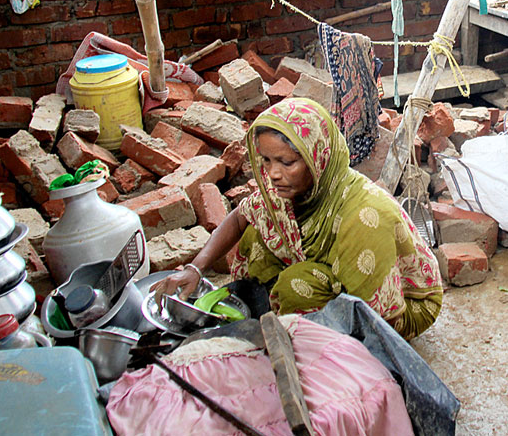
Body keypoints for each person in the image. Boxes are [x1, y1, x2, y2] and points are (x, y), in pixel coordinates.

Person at [153, 98, 443, 340]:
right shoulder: (289, 187)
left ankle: (302, 324)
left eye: (286, 162)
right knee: (258, 231)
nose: (273, 173)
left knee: (295, 287)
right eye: (266, 160)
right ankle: (282, 304)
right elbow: (241, 217)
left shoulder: (365, 215)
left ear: (318, 156)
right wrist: (194, 269)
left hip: (403, 306)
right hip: (338, 273)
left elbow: (379, 316)